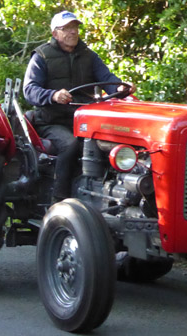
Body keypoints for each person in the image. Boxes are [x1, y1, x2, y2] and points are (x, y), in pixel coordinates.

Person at [23, 10, 135, 201]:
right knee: (70, 144)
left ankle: (109, 194)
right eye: (66, 28)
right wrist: (53, 95)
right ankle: (59, 200)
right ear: (55, 33)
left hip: (84, 122)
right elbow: (29, 90)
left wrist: (121, 87)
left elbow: (107, 79)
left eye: (75, 27)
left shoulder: (89, 56)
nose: (73, 32)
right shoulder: (41, 56)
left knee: (115, 140)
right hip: (53, 121)